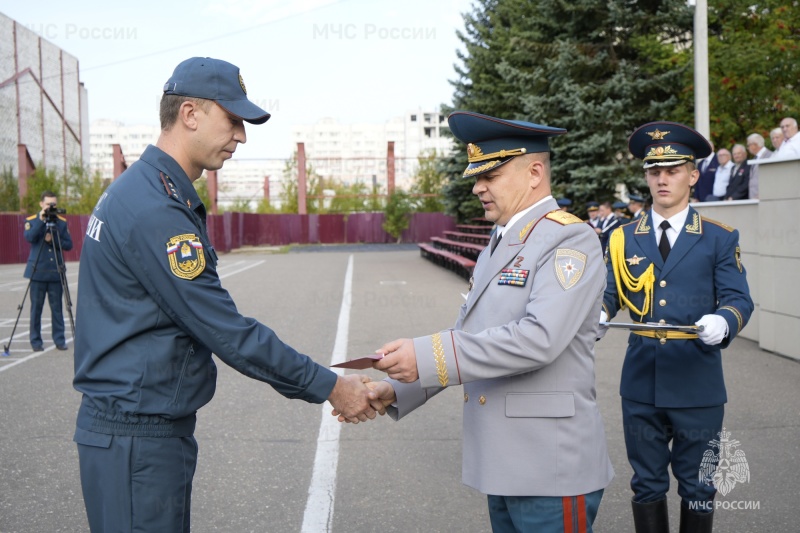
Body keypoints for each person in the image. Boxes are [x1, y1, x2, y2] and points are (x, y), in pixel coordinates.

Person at [72, 57, 380, 532]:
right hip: (138, 441)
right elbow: (227, 332)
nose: (241, 135)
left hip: (136, 433)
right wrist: (332, 385)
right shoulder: (157, 209)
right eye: (233, 120)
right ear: (190, 114)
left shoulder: (145, 191)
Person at [345, 110, 615, 532]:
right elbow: (471, 340)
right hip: (507, 464)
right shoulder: (502, 240)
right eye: (477, 176)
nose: (477, 187)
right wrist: (397, 387)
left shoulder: (568, 237)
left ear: (534, 173)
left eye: (491, 175)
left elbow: (537, 339)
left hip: (550, 466)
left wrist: (422, 354)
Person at [599, 121, 753, 533]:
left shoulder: (718, 237)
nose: (662, 179)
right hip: (641, 383)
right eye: (654, 171)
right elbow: (610, 291)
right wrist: (597, 313)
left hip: (697, 382)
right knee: (646, 484)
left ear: (692, 175)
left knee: (699, 486)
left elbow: (740, 298)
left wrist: (724, 321)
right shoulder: (624, 236)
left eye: (672, 170)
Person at [23, 191, 73, 351]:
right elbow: (29, 237)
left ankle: (59, 340)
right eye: (48, 204)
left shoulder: (61, 222)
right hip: (38, 272)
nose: (51, 207)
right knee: (36, 309)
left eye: (54, 204)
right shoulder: (32, 220)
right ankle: (35, 341)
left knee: (57, 309)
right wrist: (42, 219)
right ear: (41, 204)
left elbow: (68, 244)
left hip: (55, 272)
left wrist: (52, 241)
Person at [745, 132, 771, 199]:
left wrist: (763, 193)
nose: (748, 148)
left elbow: (770, 177)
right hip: (754, 196)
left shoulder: (770, 156)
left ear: (755, 144)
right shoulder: (755, 158)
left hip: (764, 197)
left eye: (748, 145)